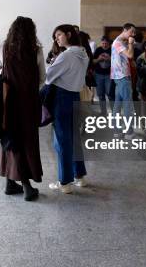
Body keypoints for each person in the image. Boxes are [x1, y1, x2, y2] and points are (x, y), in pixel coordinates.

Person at [0, 17, 45, 201]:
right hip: (28, 102)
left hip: (9, 102)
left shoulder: (4, 47)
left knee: (11, 138)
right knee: (27, 141)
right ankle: (27, 186)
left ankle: (10, 183)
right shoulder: (36, 49)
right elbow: (42, 77)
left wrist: (4, 75)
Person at [45, 24, 89, 194]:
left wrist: (53, 63)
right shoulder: (82, 53)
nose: (56, 38)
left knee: (62, 140)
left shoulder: (67, 55)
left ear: (69, 34)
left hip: (62, 97)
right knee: (74, 138)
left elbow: (48, 76)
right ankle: (79, 176)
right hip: (74, 96)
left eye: (59, 35)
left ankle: (64, 182)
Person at [111, 23, 137, 136]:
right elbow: (130, 55)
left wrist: (128, 43)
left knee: (118, 104)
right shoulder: (118, 43)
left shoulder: (120, 42)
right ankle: (128, 132)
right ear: (125, 30)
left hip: (119, 77)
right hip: (122, 77)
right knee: (127, 104)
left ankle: (117, 131)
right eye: (132, 32)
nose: (133, 34)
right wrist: (131, 44)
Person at [93, 36, 114, 114]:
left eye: (106, 43)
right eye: (103, 43)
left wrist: (109, 59)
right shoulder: (98, 50)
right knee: (100, 95)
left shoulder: (112, 50)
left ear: (109, 43)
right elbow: (93, 61)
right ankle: (103, 112)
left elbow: (117, 63)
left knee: (110, 94)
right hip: (99, 74)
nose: (104, 45)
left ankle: (114, 112)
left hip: (109, 75)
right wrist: (99, 59)